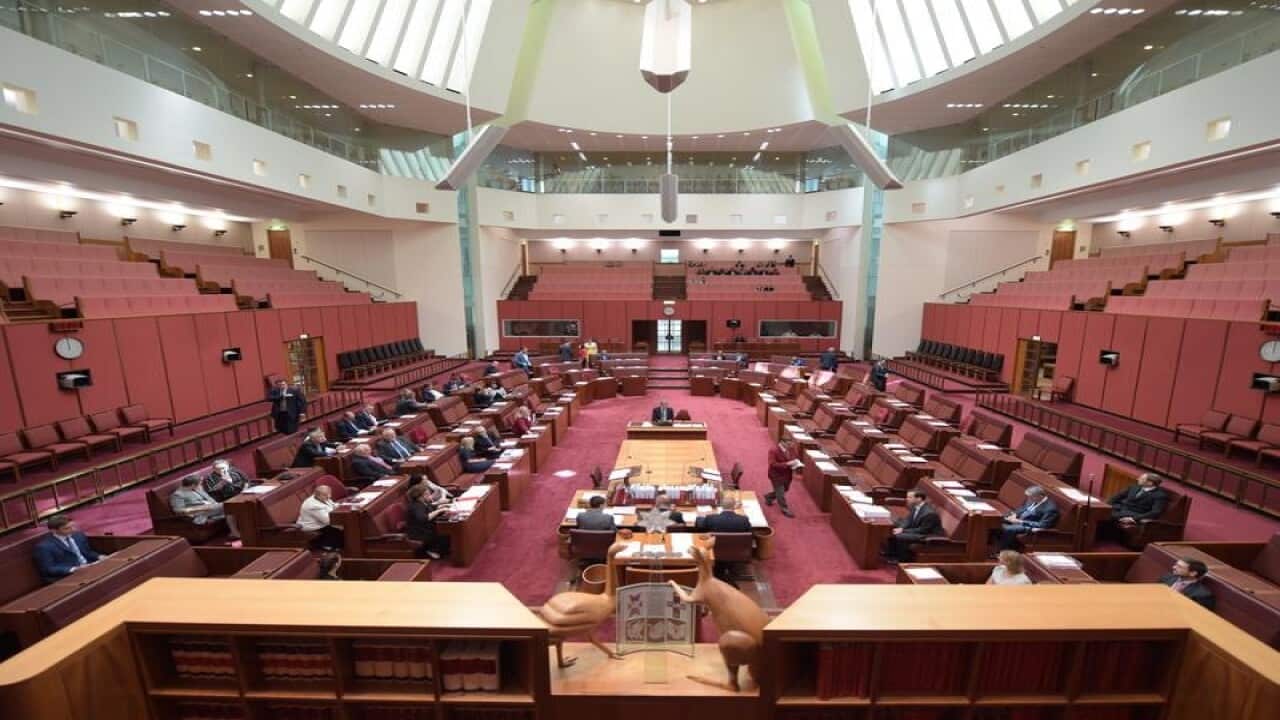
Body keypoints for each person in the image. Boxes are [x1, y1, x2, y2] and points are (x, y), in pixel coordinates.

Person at [33, 515, 106, 584]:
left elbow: (87, 552)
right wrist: (73, 569)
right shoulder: (44, 547)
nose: (73, 529)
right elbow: (49, 568)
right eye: (66, 528)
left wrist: (99, 556)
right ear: (54, 531)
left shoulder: (78, 535)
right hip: (68, 577)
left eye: (72, 526)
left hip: (89, 568)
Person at [170, 474, 239, 539]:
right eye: (199, 483)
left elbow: (210, 499)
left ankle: (234, 532)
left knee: (231, 508)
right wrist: (202, 508)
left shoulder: (197, 489)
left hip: (213, 508)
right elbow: (178, 510)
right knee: (229, 505)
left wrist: (214, 505)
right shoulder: (177, 495)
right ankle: (235, 532)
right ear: (193, 485)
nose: (200, 485)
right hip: (200, 513)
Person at [884, 489, 943, 562]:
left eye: (910, 497)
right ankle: (891, 554)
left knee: (900, 535)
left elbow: (923, 530)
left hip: (928, 535)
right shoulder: (916, 506)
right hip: (918, 529)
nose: (907, 499)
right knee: (894, 526)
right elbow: (908, 520)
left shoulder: (930, 514)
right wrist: (901, 527)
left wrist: (903, 530)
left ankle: (902, 559)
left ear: (919, 499)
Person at [996, 485, 1060, 550]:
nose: (1029, 499)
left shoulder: (1050, 509)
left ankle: (1001, 550)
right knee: (997, 519)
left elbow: (1043, 525)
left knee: (1007, 528)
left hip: (1028, 526)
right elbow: (1022, 508)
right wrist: (1015, 514)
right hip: (1018, 519)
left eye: (1031, 497)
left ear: (1040, 496)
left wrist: (1020, 521)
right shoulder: (1032, 498)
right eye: (1028, 497)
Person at [1106, 473, 1170, 535]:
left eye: (1141, 479)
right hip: (1121, 507)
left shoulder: (1160, 495)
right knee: (1100, 510)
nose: (1137, 479)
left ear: (1150, 483)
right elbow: (1117, 496)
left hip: (1134, 513)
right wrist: (1106, 505)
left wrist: (1133, 519)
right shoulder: (1134, 487)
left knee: (1108, 515)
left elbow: (1155, 512)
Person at [406, 482, 451, 559]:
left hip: (426, 527)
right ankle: (432, 550)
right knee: (444, 529)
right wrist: (439, 510)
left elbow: (431, 508)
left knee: (446, 526)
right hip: (419, 532)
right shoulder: (416, 506)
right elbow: (424, 518)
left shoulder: (423, 502)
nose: (430, 495)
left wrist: (442, 506)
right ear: (420, 496)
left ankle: (441, 549)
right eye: (427, 494)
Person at [298, 484, 343, 549]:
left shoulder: (322, 497)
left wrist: (342, 505)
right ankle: (325, 545)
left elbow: (333, 505)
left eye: (329, 494)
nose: (329, 496)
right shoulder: (313, 506)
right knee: (343, 533)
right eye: (326, 495)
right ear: (318, 495)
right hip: (314, 527)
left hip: (323, 523)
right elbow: (328, 521)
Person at [764, 439, 799, 518]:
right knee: (781, 493)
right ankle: (785, 509)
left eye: (791, 443)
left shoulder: (791, 448)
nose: (791, 445)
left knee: (785, 489)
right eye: (789, 443)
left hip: (787, 475)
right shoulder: (773, 450)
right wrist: (787, 464)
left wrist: (796, 462)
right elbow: (773, 464)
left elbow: (794, 457)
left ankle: (769, 496)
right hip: (776, 475)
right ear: (782, 442)